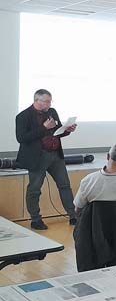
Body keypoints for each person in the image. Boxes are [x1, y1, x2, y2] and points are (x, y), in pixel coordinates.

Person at [15, 89, 78, 229]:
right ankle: (35, 220)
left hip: (55, 155)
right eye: (46, 101)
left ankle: (73, 216)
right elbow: (22, 138)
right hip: (37, 157)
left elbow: (57, 132)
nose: (49, 104)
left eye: (50, 101)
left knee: (64, 185)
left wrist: (67, 130)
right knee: (35, 189)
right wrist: (43, 127)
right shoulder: (23, 116)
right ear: (37, 100)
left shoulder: (52, 112)